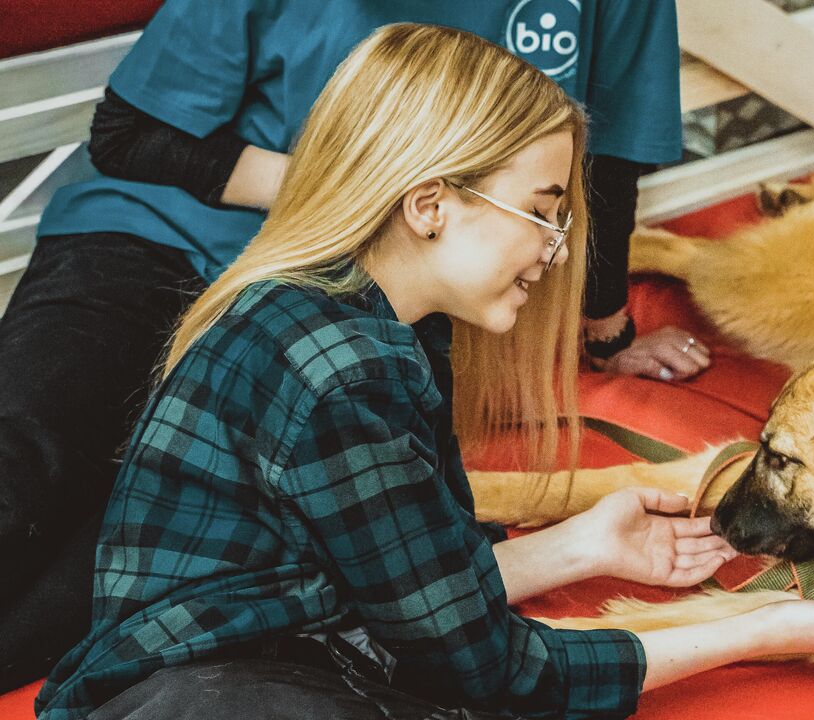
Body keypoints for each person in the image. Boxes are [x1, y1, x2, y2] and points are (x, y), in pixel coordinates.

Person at [33, 25, 814, 720]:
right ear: (429, 206)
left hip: (213, 664)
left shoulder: (330, 315)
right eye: (541, 213)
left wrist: (578, 546)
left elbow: (389, 582)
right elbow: (494, 667)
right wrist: (765, 632)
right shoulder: (349, 375)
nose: (555, 251)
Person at [0, 0, 708, 691]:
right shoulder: (363, 339)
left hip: (374, 281)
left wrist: (607, 327)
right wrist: (358, 191)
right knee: (29, 458)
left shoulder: (388, 351)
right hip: (163, 243)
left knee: (127, 559)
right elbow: (130, 130)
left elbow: (605, 166)